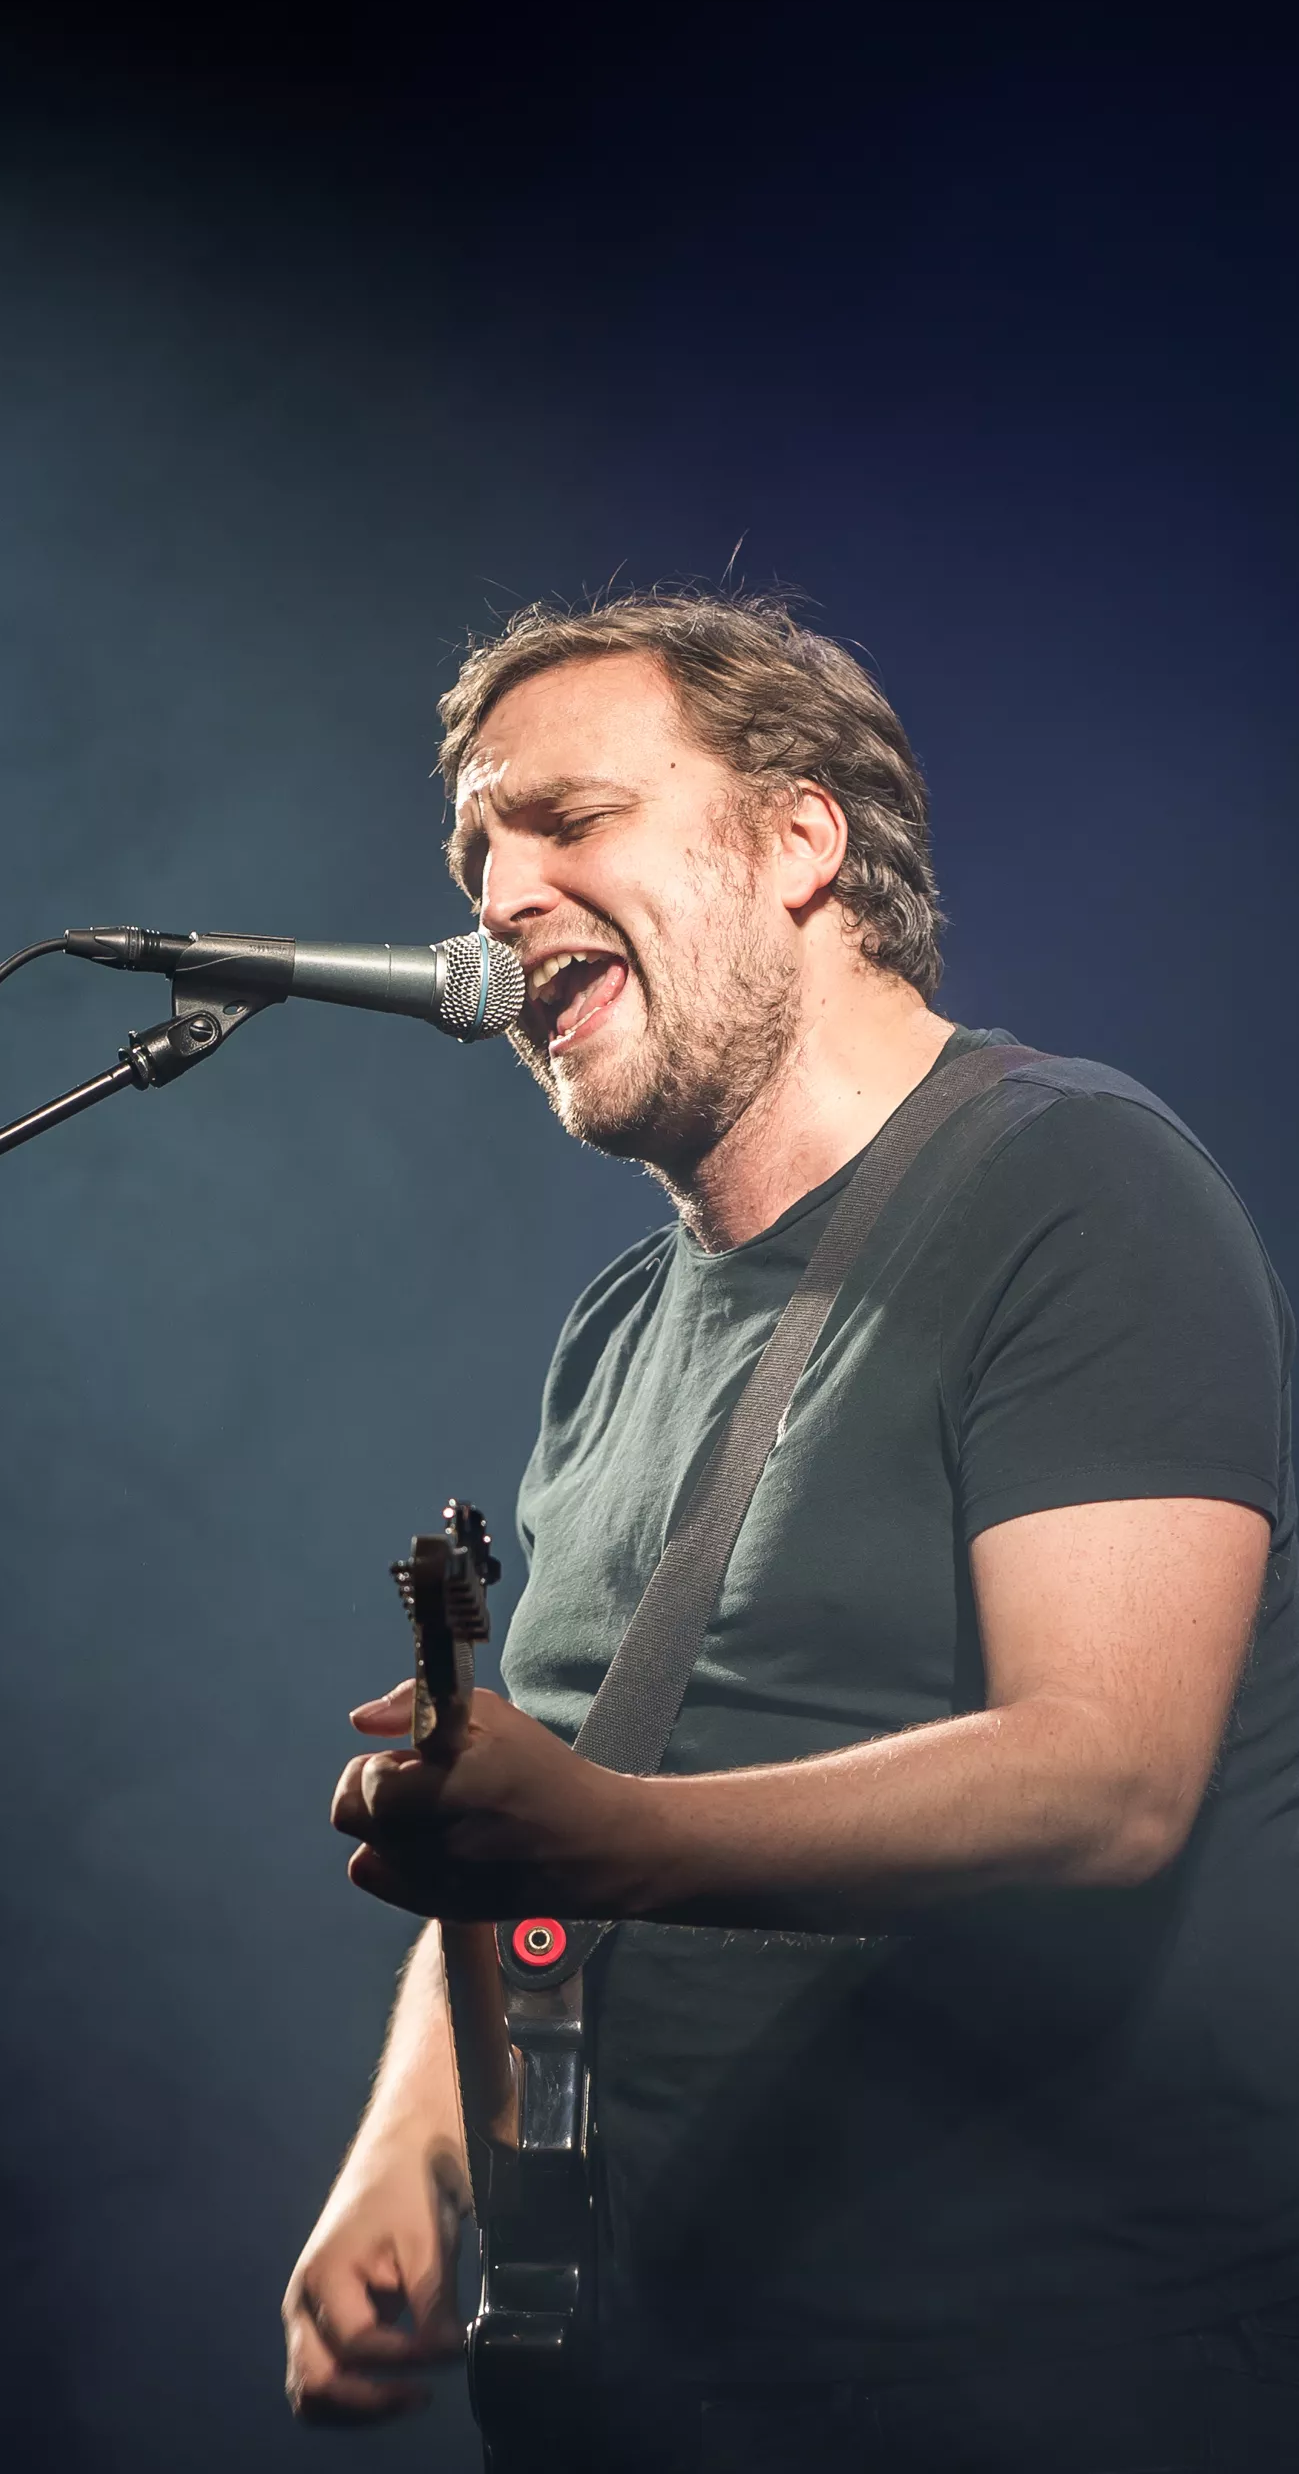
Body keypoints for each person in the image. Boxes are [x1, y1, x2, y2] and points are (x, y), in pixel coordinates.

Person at [281, 593, 1299, 2471]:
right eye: (477, 854)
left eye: (569, 821)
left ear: (798, 839)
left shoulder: (1076, 1187)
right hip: (659, 2381)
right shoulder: (615, 1328)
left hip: (1039, 2378)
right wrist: (408, 2152)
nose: (497, 900)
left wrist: (610, 1836)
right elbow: (544, 1802)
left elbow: (1108, 1777)